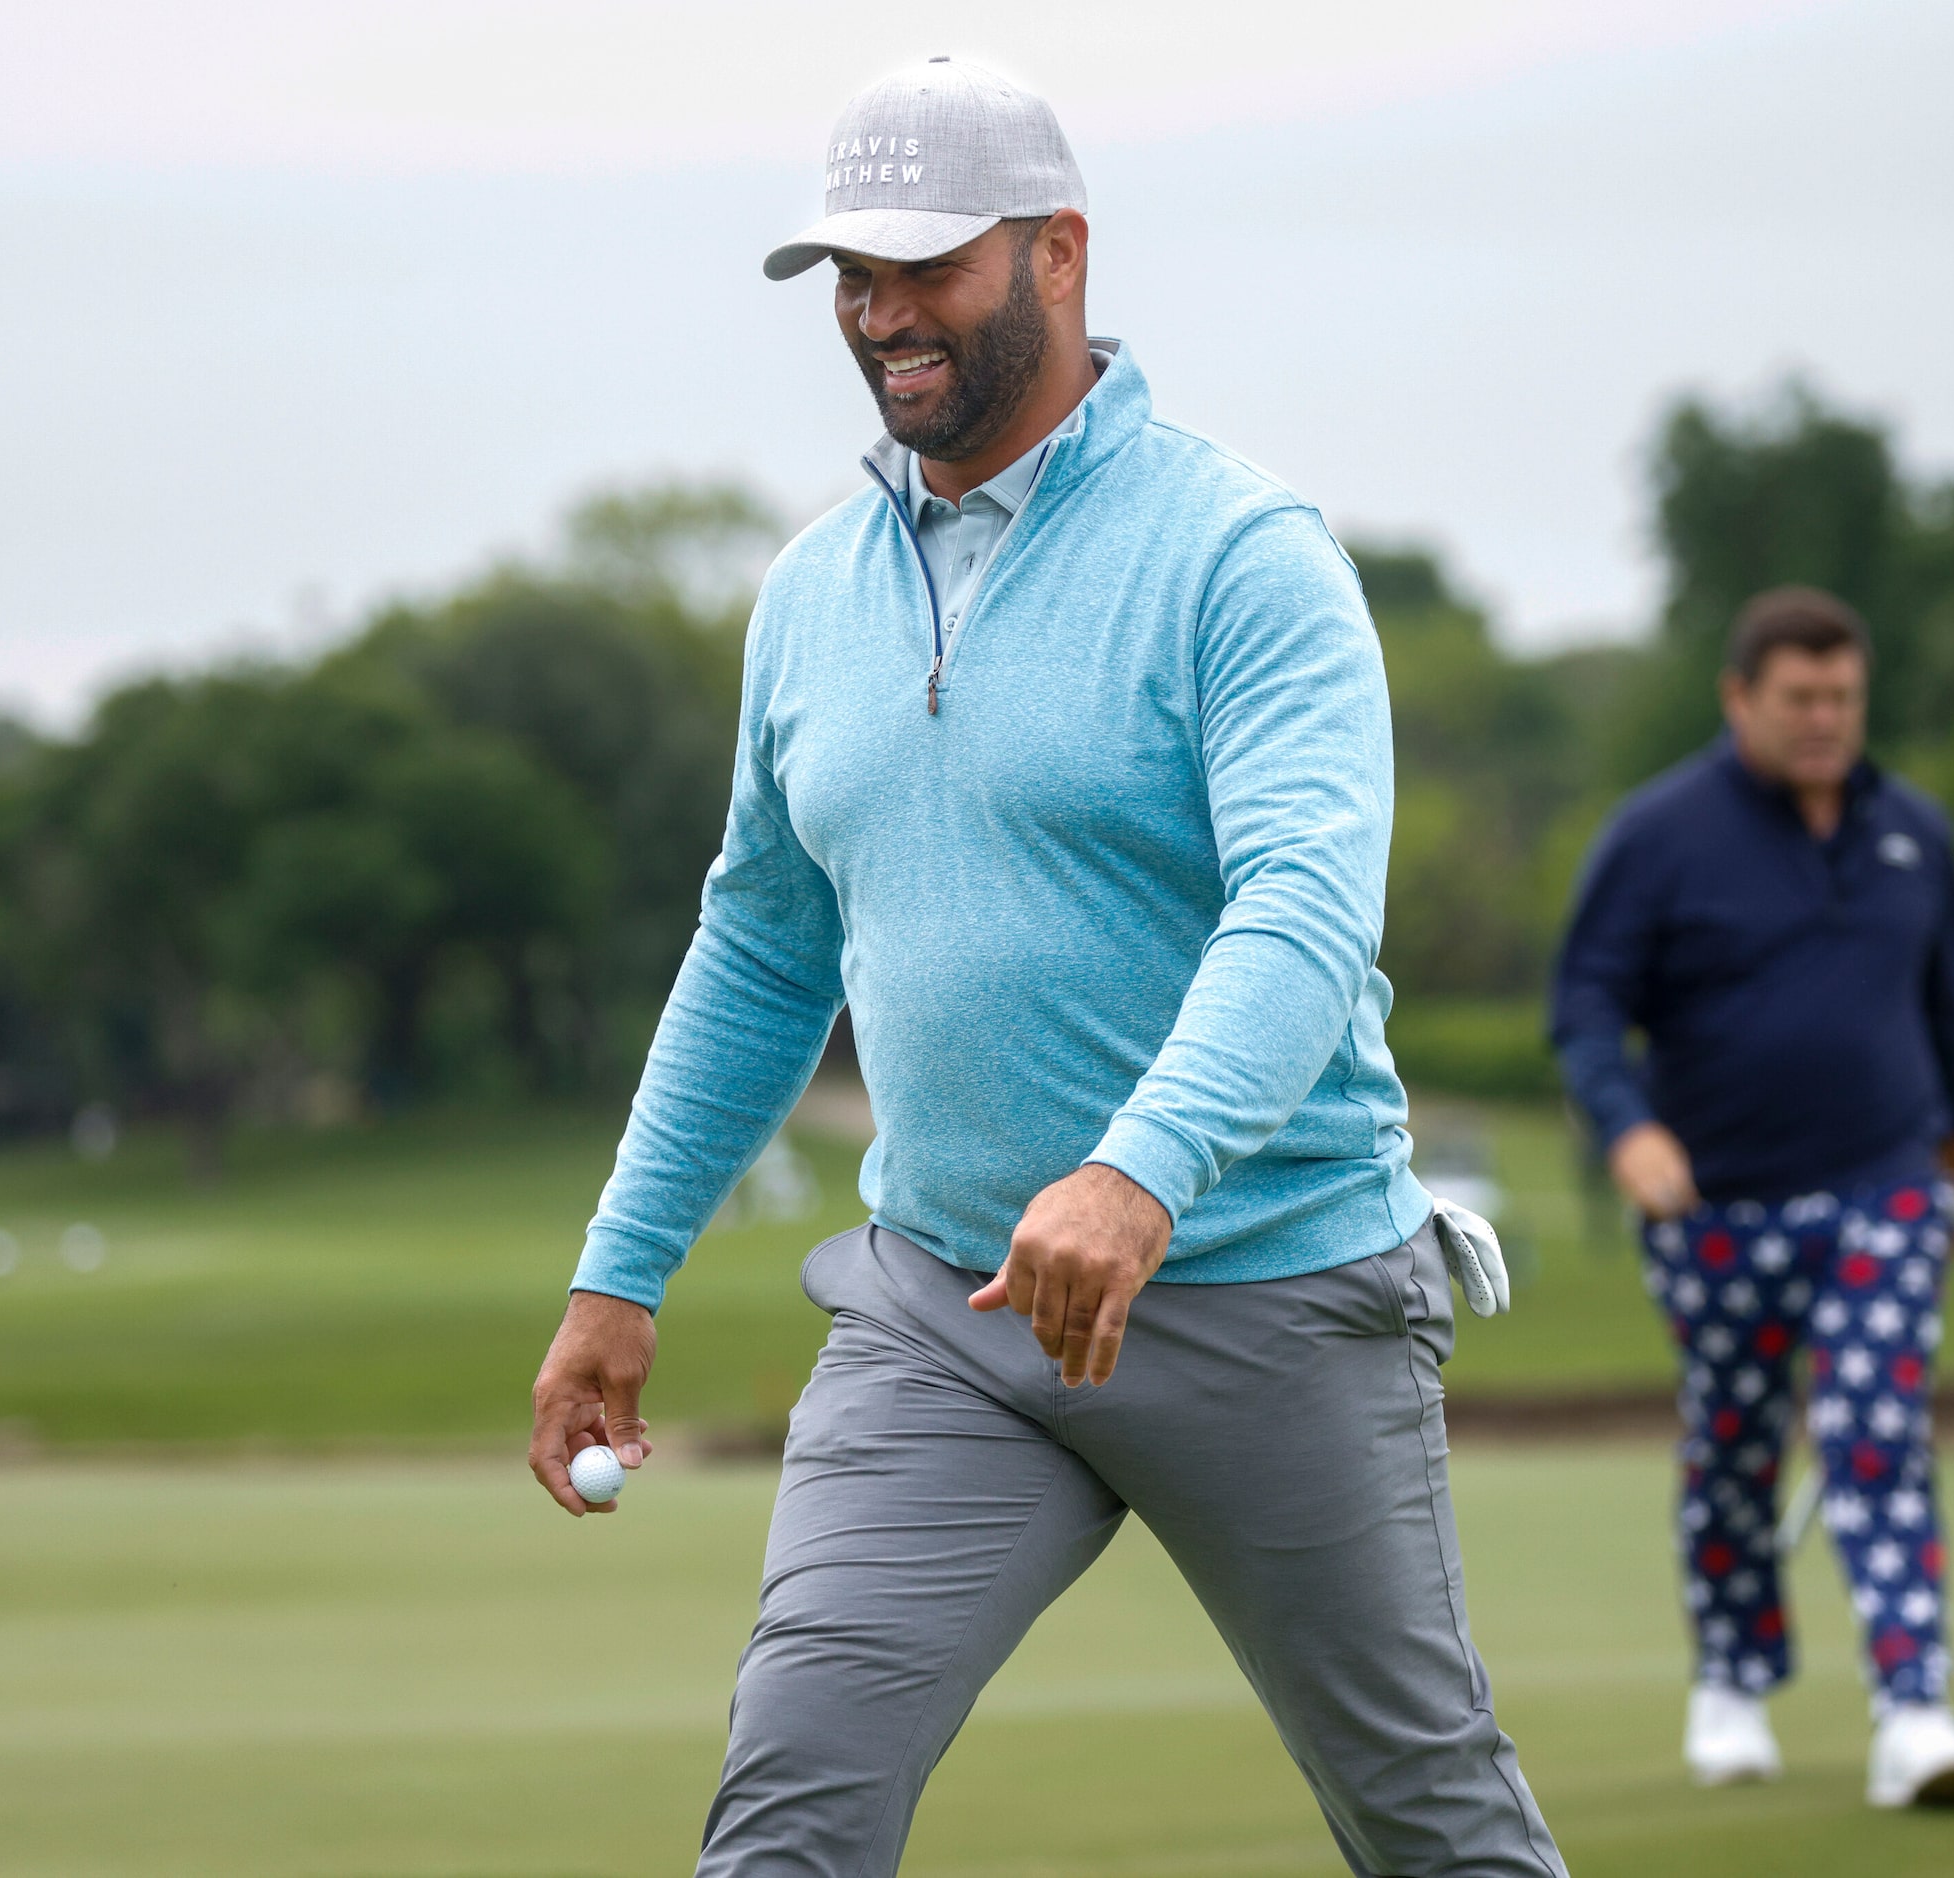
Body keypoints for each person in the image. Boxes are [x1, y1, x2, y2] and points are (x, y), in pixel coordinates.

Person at [525, 57, 1565, 1878]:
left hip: (1274, 1295)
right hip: (947, 1314)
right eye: (848, 273)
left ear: (1058, 253)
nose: (876, 312)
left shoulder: (1242, 554)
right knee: (790, 1807)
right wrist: (619, 1274)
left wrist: (1131, 1169)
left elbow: (1306, 915)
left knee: (1433, 1825)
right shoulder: (814, 592)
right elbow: (764, 946)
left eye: (922, 265)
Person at [1549, 587, 1954, 1808]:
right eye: (1797, 699)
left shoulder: (1913, 829)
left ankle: (1914, 1711)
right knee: (1735, 1452)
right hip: (1714, 1207)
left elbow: (1947, 1013)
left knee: (1870, 1435)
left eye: (1841, 698)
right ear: (1738, 698)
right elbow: (1584, 1005)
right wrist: (1626, 1130)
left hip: (1885, 1190)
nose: (1822, 721)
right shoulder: (1656, 836)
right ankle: (1731, 1678)